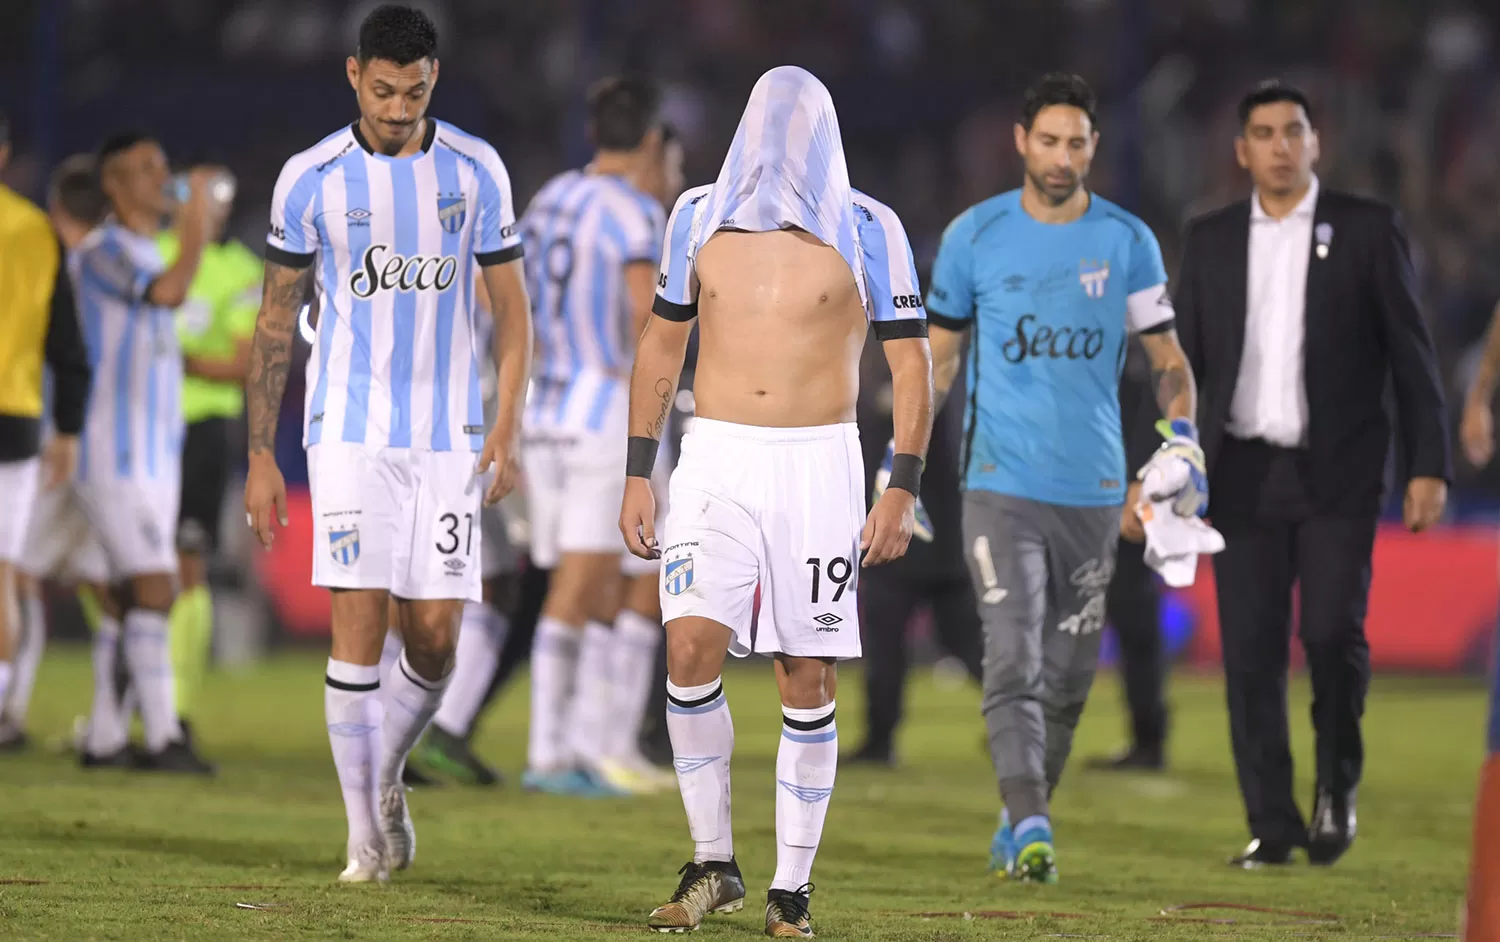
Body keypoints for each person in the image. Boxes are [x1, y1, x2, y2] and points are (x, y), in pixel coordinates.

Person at [621, 66, 933, 935]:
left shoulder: (869, 227)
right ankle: (711, 863)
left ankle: (791, 888)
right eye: (767, 122)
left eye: (798, 127)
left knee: (808, 670)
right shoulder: (697, 216)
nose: (779, 143)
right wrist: (638, 467)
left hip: (819, 464)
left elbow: (912, 363)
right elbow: (661, 346)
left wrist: (900, 485)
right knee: (687, 648)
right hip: (714, 454)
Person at [242, 4, 532, 884]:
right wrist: (261, 454)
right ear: (352, 75)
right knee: (358, 629)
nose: (398, 107)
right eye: (382, 90)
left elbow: (514, 317)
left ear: (432, 79)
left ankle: (389, 773)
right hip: (350, 435)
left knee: (436, 639)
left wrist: (508, 428)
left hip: (449, 438)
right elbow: (274, 323)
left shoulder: (477, 170)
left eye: (412, 91)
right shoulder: (311, 179)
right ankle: (364, 836)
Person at [1146, 80, 1449, 869]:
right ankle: (1272, 823)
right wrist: (1168, 459)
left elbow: (1411, 357)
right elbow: (1184, 364)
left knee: (1329, 633)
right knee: (1247, 652)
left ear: (1317, 143)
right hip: (1239, 475)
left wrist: (1428, 465)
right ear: (1241, 150)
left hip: (1338, 471)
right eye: (1264, 134)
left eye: (1294, 131)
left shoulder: (1368, 230)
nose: (1281, 147)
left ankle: (1336, 791)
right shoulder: (1208, 238)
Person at [924, 73, 1202, 884]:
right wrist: (900, 462)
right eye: (1047, 140)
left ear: (1093, 148)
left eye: (1076, 142)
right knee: (1012, 655)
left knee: (1071, 675)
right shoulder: (974, 237)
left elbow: (1169, 362)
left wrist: (1182, 439)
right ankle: (1036, 821)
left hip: (1094, 489)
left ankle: (1021, 813)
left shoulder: (1127, 242)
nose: (1060, 156)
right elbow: (937, 363)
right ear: (1021, 142)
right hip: (998, 482)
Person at [518, 75, 680, 797]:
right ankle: (553, 754)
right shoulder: (636, 213)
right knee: (586, 583)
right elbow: (647, 315)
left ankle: (600, 747)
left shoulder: (549, 198)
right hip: (605, 412)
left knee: (611, 580)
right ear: (650, 138)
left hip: (543, 408)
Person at [72, 131, 219, 773]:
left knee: (132, 597)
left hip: (157, 457)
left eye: (165, 166)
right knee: (157, 590)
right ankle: (162, 738)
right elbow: (169, 293)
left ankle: (105, 738)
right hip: (110, 456)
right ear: (112, 182)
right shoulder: (101, 252)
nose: (163, 178)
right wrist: (196, 219)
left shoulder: (145, 250)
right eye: (146, 168)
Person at [2, 155, 111, 751]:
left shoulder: (51, 253)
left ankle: (11, 710)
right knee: (106, 588)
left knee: (16, 578)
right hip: (88, 444)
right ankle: (109, 721)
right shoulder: (110, 260)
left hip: (50, 442)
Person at [850, 325, 983, 767]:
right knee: (896, 647)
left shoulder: (930, 383)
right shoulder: (894, 375)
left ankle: (1023, 728)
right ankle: (879, 739)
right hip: (907, 537)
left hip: (928, 537)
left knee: (965, 644)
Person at [160, 177, 261, 743]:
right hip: (135, 430)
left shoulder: (241, 271)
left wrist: (175, 362)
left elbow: (248, 362)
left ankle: (173, 704)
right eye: (194, 195)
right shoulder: (147, 254)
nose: (206, 207)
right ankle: (129, 693)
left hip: (200, 433)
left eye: (215, 197)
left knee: (187, 563)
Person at [1087, 350, 1169, 771]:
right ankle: (1029, 732)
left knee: (1134, 617)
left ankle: (1149, 737)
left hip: (1124, 502)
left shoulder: (1138, 355)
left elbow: (1151, 420)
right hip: (1074, 497)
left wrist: (1139, 484)